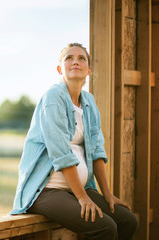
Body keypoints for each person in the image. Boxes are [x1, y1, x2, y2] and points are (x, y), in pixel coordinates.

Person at [10, 43, 138, 240]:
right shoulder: (53, 98)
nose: (75, 61)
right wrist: (82, 198)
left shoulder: (89, 102)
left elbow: (96, 150)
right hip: (46, 191)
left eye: (81, 58)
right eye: (69, 58)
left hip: (77, 188)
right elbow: (61, 153)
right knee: (105, 228)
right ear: (60, 69)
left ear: (89, 69)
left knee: (128, 220)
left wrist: (107, 194)